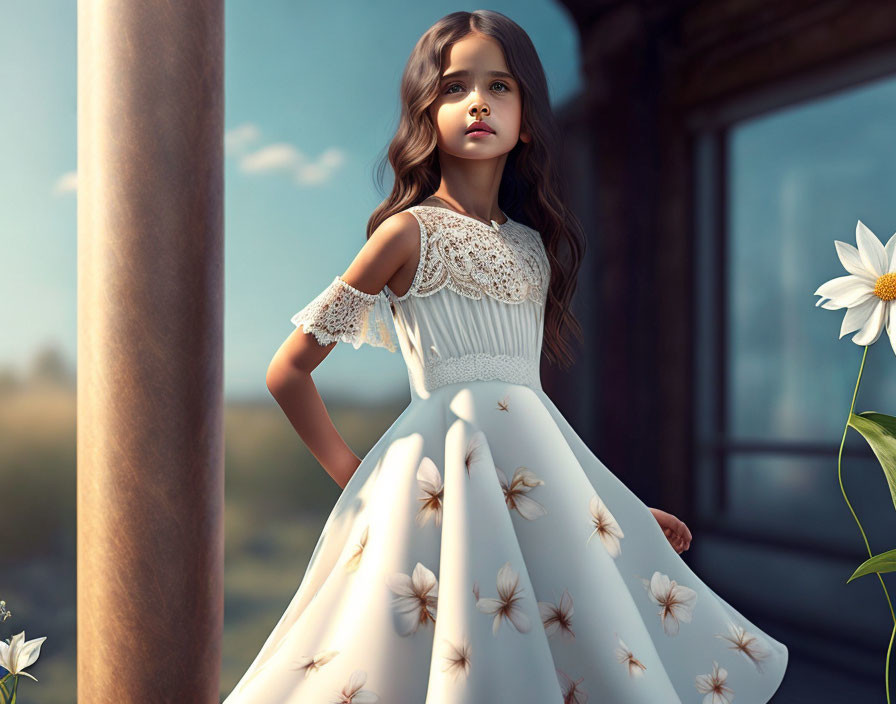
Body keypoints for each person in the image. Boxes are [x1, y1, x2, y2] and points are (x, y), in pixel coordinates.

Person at [224, 10, 787, 703]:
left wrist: (631, 510)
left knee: (557, 655)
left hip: (530, 491)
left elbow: (534, 415)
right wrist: (361, 487)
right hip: (435, 487)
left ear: (527, 113)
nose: (479, 104)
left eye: (500, 87)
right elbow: (288, 371)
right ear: (425, 111)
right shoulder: (406, 235)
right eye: (455, 87)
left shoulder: (532, 248)